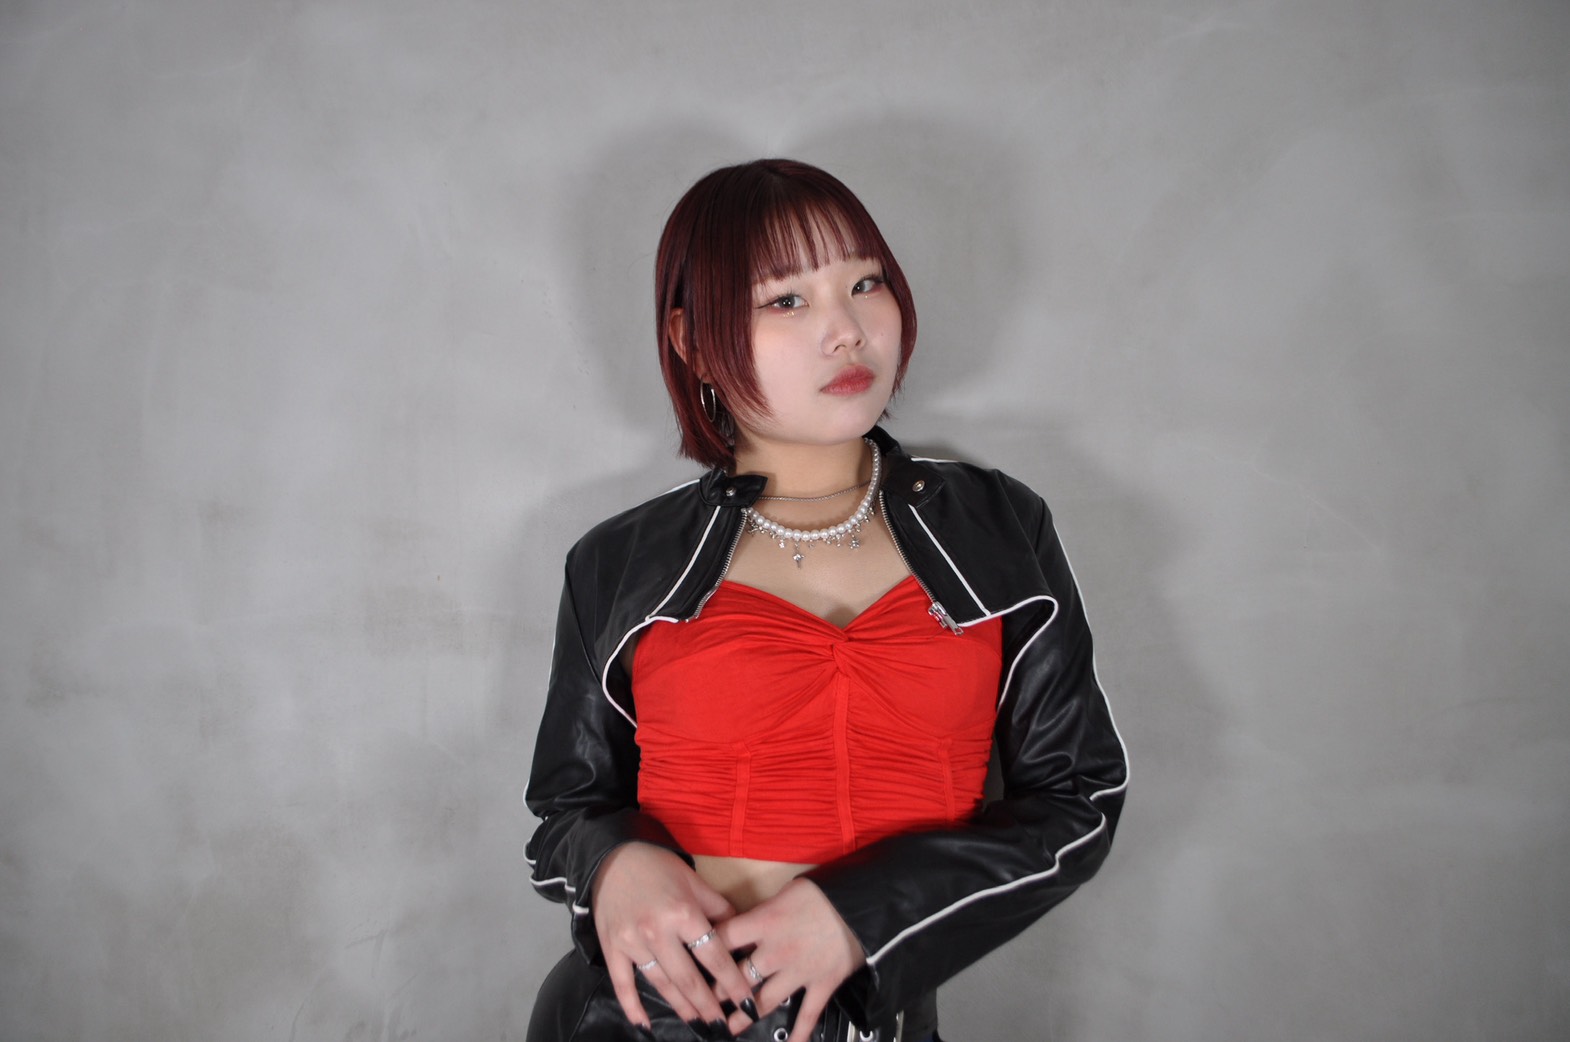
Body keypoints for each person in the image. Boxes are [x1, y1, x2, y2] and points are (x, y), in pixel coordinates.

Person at [525, 158, 1127, 1042]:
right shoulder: (619, 562)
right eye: (785, 300)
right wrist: (613, 866)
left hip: (876, 1021)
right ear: (693, 342)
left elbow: (1077, 800)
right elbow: (565, 814)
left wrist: (862, 914)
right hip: (636, 1022)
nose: (846, 331)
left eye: (865, 283)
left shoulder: (997, 526)